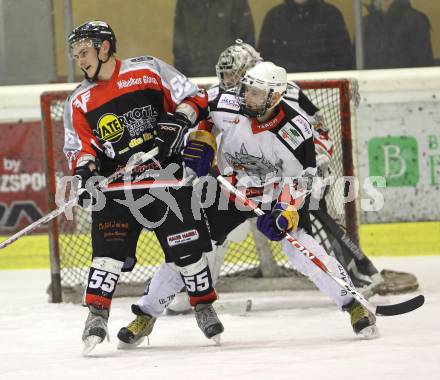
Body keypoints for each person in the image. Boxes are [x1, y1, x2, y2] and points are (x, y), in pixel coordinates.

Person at [117, 61, 379, 349]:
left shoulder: (296, 129)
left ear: (274, 97)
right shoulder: (228, 102)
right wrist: (202, 138)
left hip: (276, 194)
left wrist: (285, 212)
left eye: (255, 93)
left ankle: (354, 304)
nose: (246, 96)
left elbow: (302, 178)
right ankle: (146, 314)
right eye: (246, 89)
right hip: (230, 191)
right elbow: (199, 106)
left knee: (301, 251)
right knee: (188, 246)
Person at [63, 20, 224, 354]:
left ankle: (204, 305)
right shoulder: (79, 100)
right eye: (75, 54)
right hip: (117, 186)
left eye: (84, 51)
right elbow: (79, 147)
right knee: (106, 254)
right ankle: (96, 315)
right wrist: (85, 172)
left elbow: (196, 98)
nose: (79, 60)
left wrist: (179, 120)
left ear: (105, 47)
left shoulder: (147, 70)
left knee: (187, 249)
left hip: (166, 176)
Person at [258, 0, 353, 72]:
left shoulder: (331, 15)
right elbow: (264, 61)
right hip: (283, 91)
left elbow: (344, 60)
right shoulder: (274, 17)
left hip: (326, 90)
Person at [173, 0, 255, 77]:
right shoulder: (185, 2)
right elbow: (179, 48)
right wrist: (181, 79)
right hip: (194, 78)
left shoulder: (237, 2)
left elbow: (246, 45)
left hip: (230, 79)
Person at [363, 0, 434, 69]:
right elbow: (356, 65)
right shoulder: (365, 24)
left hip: (407, 79)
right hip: (371, 80)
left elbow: (423, 64)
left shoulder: (415, 20)